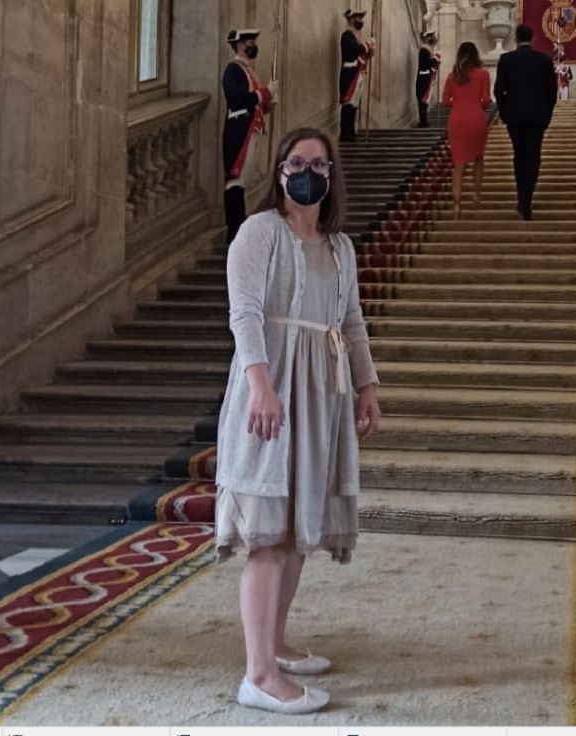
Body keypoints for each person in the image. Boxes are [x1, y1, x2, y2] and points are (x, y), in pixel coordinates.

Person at [216, 128, 382, 713]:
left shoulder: (340, 247)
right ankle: (258, 674)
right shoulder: (258, 233)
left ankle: (276, 645)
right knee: (269, 534)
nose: (307, 171)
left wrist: (366, 385)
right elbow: (245, 315)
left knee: (295, 531)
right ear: (281, 172)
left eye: (318, 163)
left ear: (331, 174)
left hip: (321, 392)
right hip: (274, 388)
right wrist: (261, 386)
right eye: (296, 162)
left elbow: (353, 320)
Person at [494, 24, 557, 220]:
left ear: (515, 38)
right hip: (537, 117)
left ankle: (522, 198)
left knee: (519, 155)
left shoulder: (506, 59)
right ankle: (527, 200)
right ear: (533, 38)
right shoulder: (545, 60)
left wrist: (504, 113)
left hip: (514, 117)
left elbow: (499, 90)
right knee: (533, 156)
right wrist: (547, 114)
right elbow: (552, 92)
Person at [222, 29, 278, 245]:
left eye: (254, 41)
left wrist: (268, 105)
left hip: (251, 128)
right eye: (248, 42)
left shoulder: (250, 72)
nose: (252, 44)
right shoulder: (233, 70)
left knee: (243, 178)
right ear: (239, 45)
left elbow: (254, 104)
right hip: (238, 130)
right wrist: (265, 92)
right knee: (236, 178)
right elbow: (237, 99)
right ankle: (234, 226)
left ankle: (240, 221)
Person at [442, 42, 491, 218]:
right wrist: (477, 105)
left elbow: (446, 101)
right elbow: (486, 100)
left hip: (457, 120)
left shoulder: (452, 76)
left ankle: (456, 205)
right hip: (476, 118)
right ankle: (476, 195)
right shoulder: (483, 74)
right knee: (478, 158)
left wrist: (460, 103)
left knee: (458, 164)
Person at [339, 9, 375, 142]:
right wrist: (366, 47)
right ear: (351, 20)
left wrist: (368, 52)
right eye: (357, 18)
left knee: (354, 104)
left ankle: (351, 132)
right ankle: (345, 133)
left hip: (357, 73)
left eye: (361, 18)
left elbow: (361, 53)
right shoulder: (347, 36)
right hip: (350, 73)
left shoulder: (356, 37)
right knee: (348, 102)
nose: (360, 21)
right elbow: (354, 50)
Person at [417, 31, 441, 127]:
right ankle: (423, 121)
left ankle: (424, 120)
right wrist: (436, 58)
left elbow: (433, 65)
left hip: (426, 76)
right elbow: (430, 63)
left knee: (424, 100)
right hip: (424, 77)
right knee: (423, 98)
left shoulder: (428, 51)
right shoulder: (424, 51)